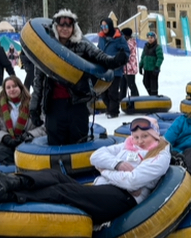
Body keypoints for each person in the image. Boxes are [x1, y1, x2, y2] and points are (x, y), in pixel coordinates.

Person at [0, 116, 170, 225]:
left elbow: (132, 182)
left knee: (61, 192)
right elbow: (96, 156)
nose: (140, 141)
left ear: (156, 137)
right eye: (137, 136)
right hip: (105, 190)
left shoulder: (159, 155)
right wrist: (115, 166)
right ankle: (6, 182)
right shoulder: (126, 146)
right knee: (56, 175)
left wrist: (104, 171)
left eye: (145, 136)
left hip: (123, 201)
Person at [30, 9, 128, 145]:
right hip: (54, 107)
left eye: (69, 25)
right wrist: (34, 108)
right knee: (56, 144)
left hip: (77, 104)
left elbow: (98, 56)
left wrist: (114, 61)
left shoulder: (82, 46)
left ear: (73, 28)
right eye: (61, 25)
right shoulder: (46, 51)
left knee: (79, 143)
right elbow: (38, 82)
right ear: (55, 27)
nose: (65, 28)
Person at [0, 76, 46, 166]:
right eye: (8, 87)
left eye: (14, 86)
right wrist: (5, 137)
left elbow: (44, 126)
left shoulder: (34, 105)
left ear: (20, 87)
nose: (12, 90)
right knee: (1, 152)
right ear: (4, 90)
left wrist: (29, 135)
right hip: (7, 145)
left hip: (29, 142)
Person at [97, 18, 130, 118]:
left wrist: (122, 57)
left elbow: (127, 52)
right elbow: (98, 50)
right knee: (103, 92)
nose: (104, 28)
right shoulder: (101, 38)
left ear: (110, 26)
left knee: (113, 91)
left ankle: (113, 111)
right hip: (104, 70)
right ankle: (109, 108)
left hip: (115, 70)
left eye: (106, 26)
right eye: (102, 26)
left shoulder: (119, 38)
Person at [140, 31, 163, 96]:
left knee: (153, 84)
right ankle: (151, 95)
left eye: (151, 38)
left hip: (153, 69)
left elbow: (160, 58)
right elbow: (143, 56)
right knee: (145, 82)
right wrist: (140, 65)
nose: (150, 39)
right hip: (146, 69)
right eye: (148, 38)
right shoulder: (146, 46)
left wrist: (157, 67)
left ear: (155, 38)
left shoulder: (157, 47)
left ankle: (154, 95)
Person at [119, 28, 140, 99]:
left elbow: (126, 53)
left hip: (130, 68)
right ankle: (122, 99)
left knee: (131, 84)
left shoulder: (130, 43)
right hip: (124, 67)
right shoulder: (125, 43)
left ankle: (136, 98)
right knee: (122, 85)